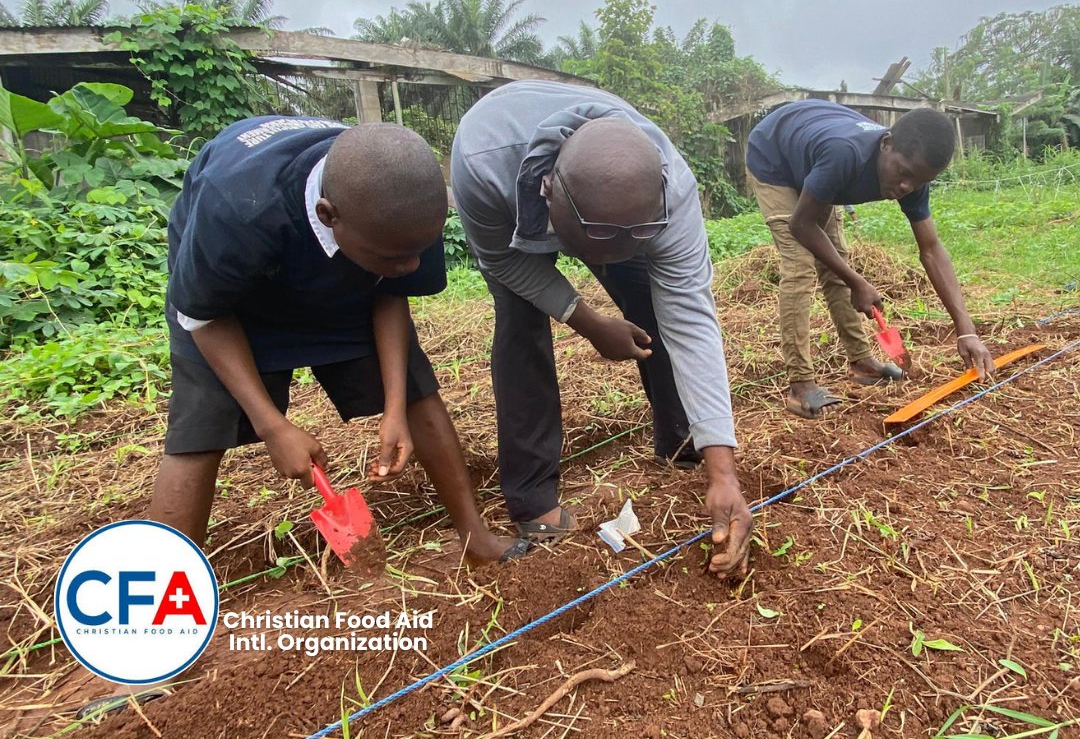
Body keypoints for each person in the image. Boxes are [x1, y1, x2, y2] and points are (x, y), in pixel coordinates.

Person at [150, 115, 526, 565]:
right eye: (395, 257)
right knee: (200, 428)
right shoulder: (237, 207)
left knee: (418, 393)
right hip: (228, 305)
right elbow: (203, 315)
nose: (411, 266)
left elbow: (392, 292)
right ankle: (165, 587)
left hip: (349, 270)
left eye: (417, 252)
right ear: (328, 215)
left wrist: (394, 408)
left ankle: (475, 538)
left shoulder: (405, 205)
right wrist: (272, 427)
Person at [451, 81, 752, 577]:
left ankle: (681, 442)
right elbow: (505, 262)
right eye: (596, 244)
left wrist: (724, 471)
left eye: (632, 238)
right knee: (520, 322)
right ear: (549, 191)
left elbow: (690, 317)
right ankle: (532, 496)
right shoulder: (483, 165)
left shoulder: (671, 192)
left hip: (613, 211)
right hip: (513, 203)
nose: (606, 260)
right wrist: (588, 322)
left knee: (651, 299)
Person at [745, 100, 996, 418]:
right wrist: (857, 281)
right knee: (800, 264)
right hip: (774, 153)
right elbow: (800, 225)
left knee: (836, 262)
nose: (907, 187)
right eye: (903, 173)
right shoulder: (844, 154)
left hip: (815, 158)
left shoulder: (913, 177)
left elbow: (931, 249)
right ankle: (801, 385)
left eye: (919, 181)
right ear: (886, 144)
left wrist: (966, 330)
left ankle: (862, 362)